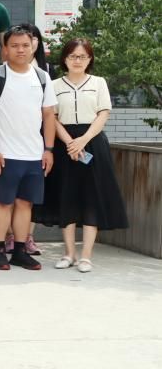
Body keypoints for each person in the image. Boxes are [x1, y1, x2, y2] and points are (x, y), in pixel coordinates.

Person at [36, 38, 129, 272]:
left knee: (91, 198)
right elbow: (51, 117)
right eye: (72, 56)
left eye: (82, 56)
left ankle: (86, 256)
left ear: (90, 59)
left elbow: (103, 114)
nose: (77, 61)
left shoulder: (99, 83)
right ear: (64, 59)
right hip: (64, 144)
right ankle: (69, 254)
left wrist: (83, 140)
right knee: (66, 196)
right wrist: (70, 142)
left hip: (92, 143)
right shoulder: (54, 85)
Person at [0, 27, 57, 271]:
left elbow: (49, 114)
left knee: (25, 203)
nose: (20, 50)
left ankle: (20, 251)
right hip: (5, 154)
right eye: (14, 45)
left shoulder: (42, 77)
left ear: (33, 46)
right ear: (5, 48)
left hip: (34, 154)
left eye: (25, 45)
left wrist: (48, 149)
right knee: (3, 203)